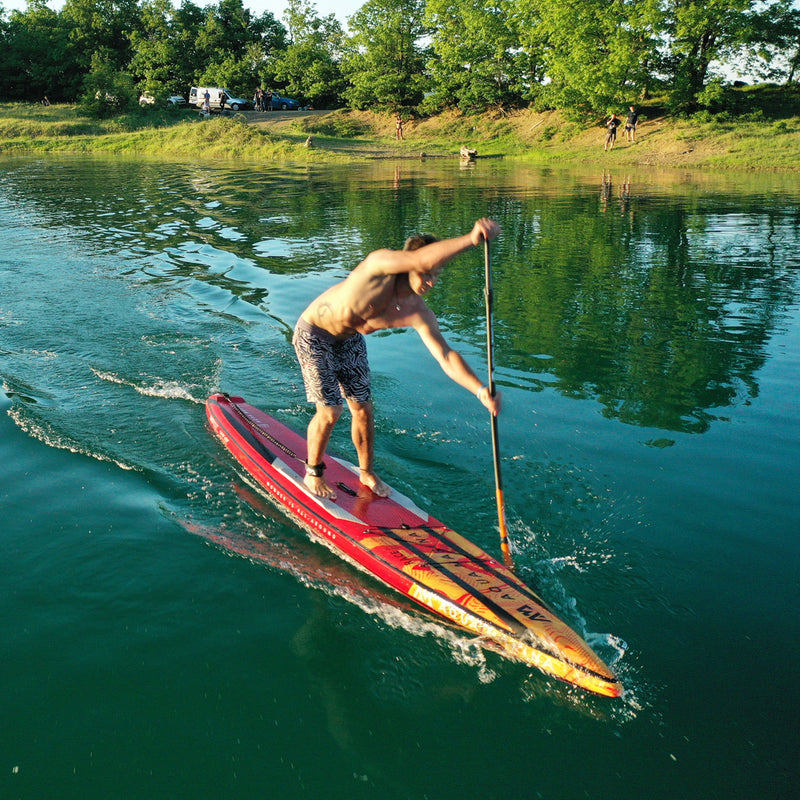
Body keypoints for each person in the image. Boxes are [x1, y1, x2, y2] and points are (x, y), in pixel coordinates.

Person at [292, 218, 502, 500]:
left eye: (436, 274)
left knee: (363, 410)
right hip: (315, 333)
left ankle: (366, 472)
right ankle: (313, 471)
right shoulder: (379, 266)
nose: (431, 281)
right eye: (426, 273)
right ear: (410, 264)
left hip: (350, 338)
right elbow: (420, 257)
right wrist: (471, 239)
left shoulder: (418, 311)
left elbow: (446, 355)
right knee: (331, 411)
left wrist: (480, 391)